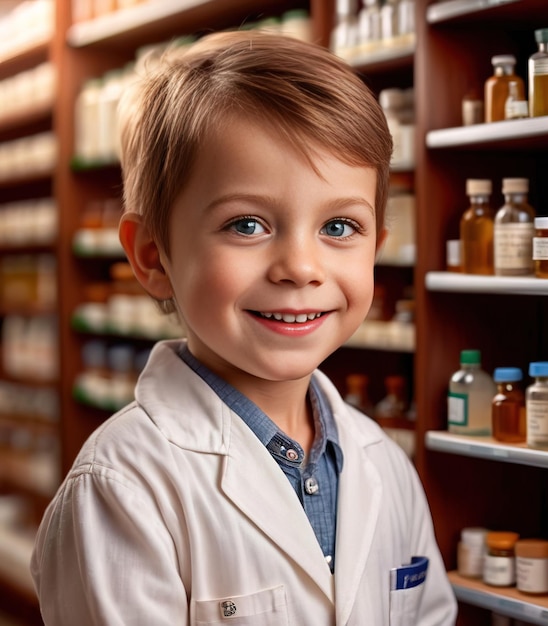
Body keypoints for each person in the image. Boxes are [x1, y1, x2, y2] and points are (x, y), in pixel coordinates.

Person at [30, 30, 457, 625]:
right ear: (154, 256)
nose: (302, 269)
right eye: (248, 225)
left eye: (338, 228)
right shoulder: (121, 488)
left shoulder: (383, 463)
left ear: (377, 249)